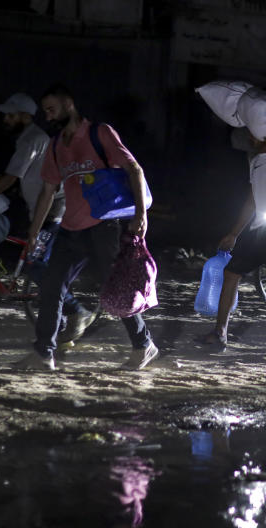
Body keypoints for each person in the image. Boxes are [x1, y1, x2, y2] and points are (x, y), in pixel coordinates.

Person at [13, 84, 158, 371]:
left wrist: (140, 214)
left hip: (103, 227)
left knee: (117, 289)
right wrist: (34, 231)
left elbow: (135, 170)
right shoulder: (56, 145)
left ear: (69, 103)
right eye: (45, 110)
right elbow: (48, 190)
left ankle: (144, 345)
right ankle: (44, 353)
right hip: (69, 229)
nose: (48, 114)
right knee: (52, 287)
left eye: (51, 107)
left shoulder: (99, 133)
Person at [0, 93, 92, 344]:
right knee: (34, 262)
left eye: (11, 115)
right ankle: (62, 323)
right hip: (45, 209)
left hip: (52, 212)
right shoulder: (30, 139)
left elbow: (9, 178)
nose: (5, 120)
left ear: (26, 116)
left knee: (34, 264)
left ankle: (76, 310)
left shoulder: (31, 140)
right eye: (5, 115)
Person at [202, 93, 266, 356]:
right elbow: (251, 200)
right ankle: (220, 333)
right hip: (259, 229)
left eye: (253, 134)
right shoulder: (254, 163)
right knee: (230, 273)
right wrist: (234, 233)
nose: (250, 138)